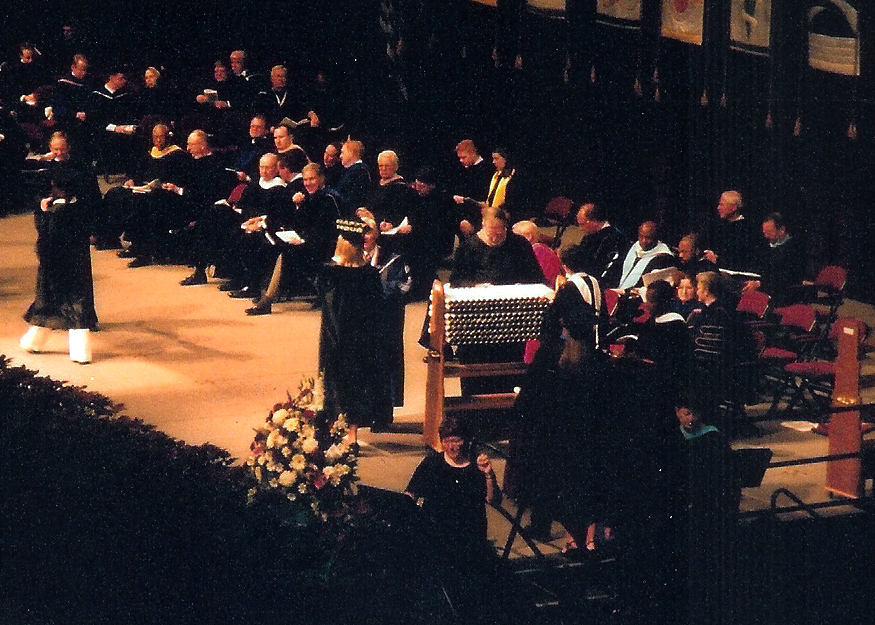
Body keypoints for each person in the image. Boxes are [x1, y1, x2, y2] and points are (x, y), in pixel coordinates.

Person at [318, 219, 392, 447]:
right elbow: (378, 307)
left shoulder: (330, 274)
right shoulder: (369, 274)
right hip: (362, 340)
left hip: (336, 338)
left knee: (333, 383)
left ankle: (332, 431)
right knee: (358, 385)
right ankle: (353, 437)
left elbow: (328, 306)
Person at [20, 168, 98, 364]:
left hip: (56, 264)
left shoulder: (57, 212)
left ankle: (78, 352)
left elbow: (45, 238)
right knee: (70, 301)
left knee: (53, 300)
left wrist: (44, 211)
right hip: (76, 262)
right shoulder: (80, 207)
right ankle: (37, 342)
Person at [405, 415, 501, 567]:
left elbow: (493, 500)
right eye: (447, 441)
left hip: (469, 536)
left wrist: (488, 474)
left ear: (466, 441)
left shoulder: (476, 465)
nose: (451, 446)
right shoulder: (432, 463)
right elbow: (411, 494)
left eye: (456, 441)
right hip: (436, 534)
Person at [745, 212, 806, 306]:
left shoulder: (794, 249)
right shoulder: (765, 247)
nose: (766, 236)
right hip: (764, 286)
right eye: (765, 233)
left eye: (769, 233)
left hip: (782, 294)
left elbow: (787, 278)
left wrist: (760, 284)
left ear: (782, 230)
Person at [562, 201, 630, 285]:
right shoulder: (590, 235)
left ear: (594, 221)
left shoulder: (614, 238)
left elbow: (606, 270)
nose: (580, 229)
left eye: (582, 224)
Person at [703, 190, 757, 272]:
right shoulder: (719, 226)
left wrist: (718, 259)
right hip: (716, 270)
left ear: (733, 208)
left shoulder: (747, 230)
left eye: (722, 204)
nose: (718, 208)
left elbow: (742, 258)